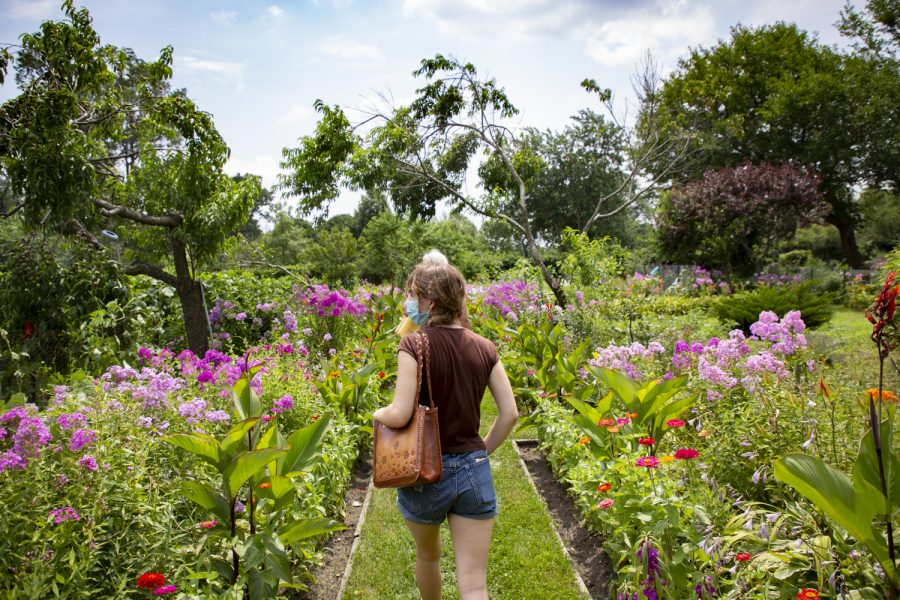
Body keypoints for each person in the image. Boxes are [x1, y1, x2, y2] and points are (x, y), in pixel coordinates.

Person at [373, 263, 518, 600]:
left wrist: (378, 412)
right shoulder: (485, 347)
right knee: (474, 582)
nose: (408, 302)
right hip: (474, 471)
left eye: (413, 295)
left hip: (424, 475)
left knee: (428, 556)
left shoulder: (414, 345)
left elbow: (399, 413)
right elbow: (510, 414)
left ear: (430, 303)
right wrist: (482, 448)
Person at [395, 249, 449, 338]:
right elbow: (463, 318)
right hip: (440, 334)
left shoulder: (418, 283)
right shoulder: (449, 285)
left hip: (418, 333)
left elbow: (405, 309)